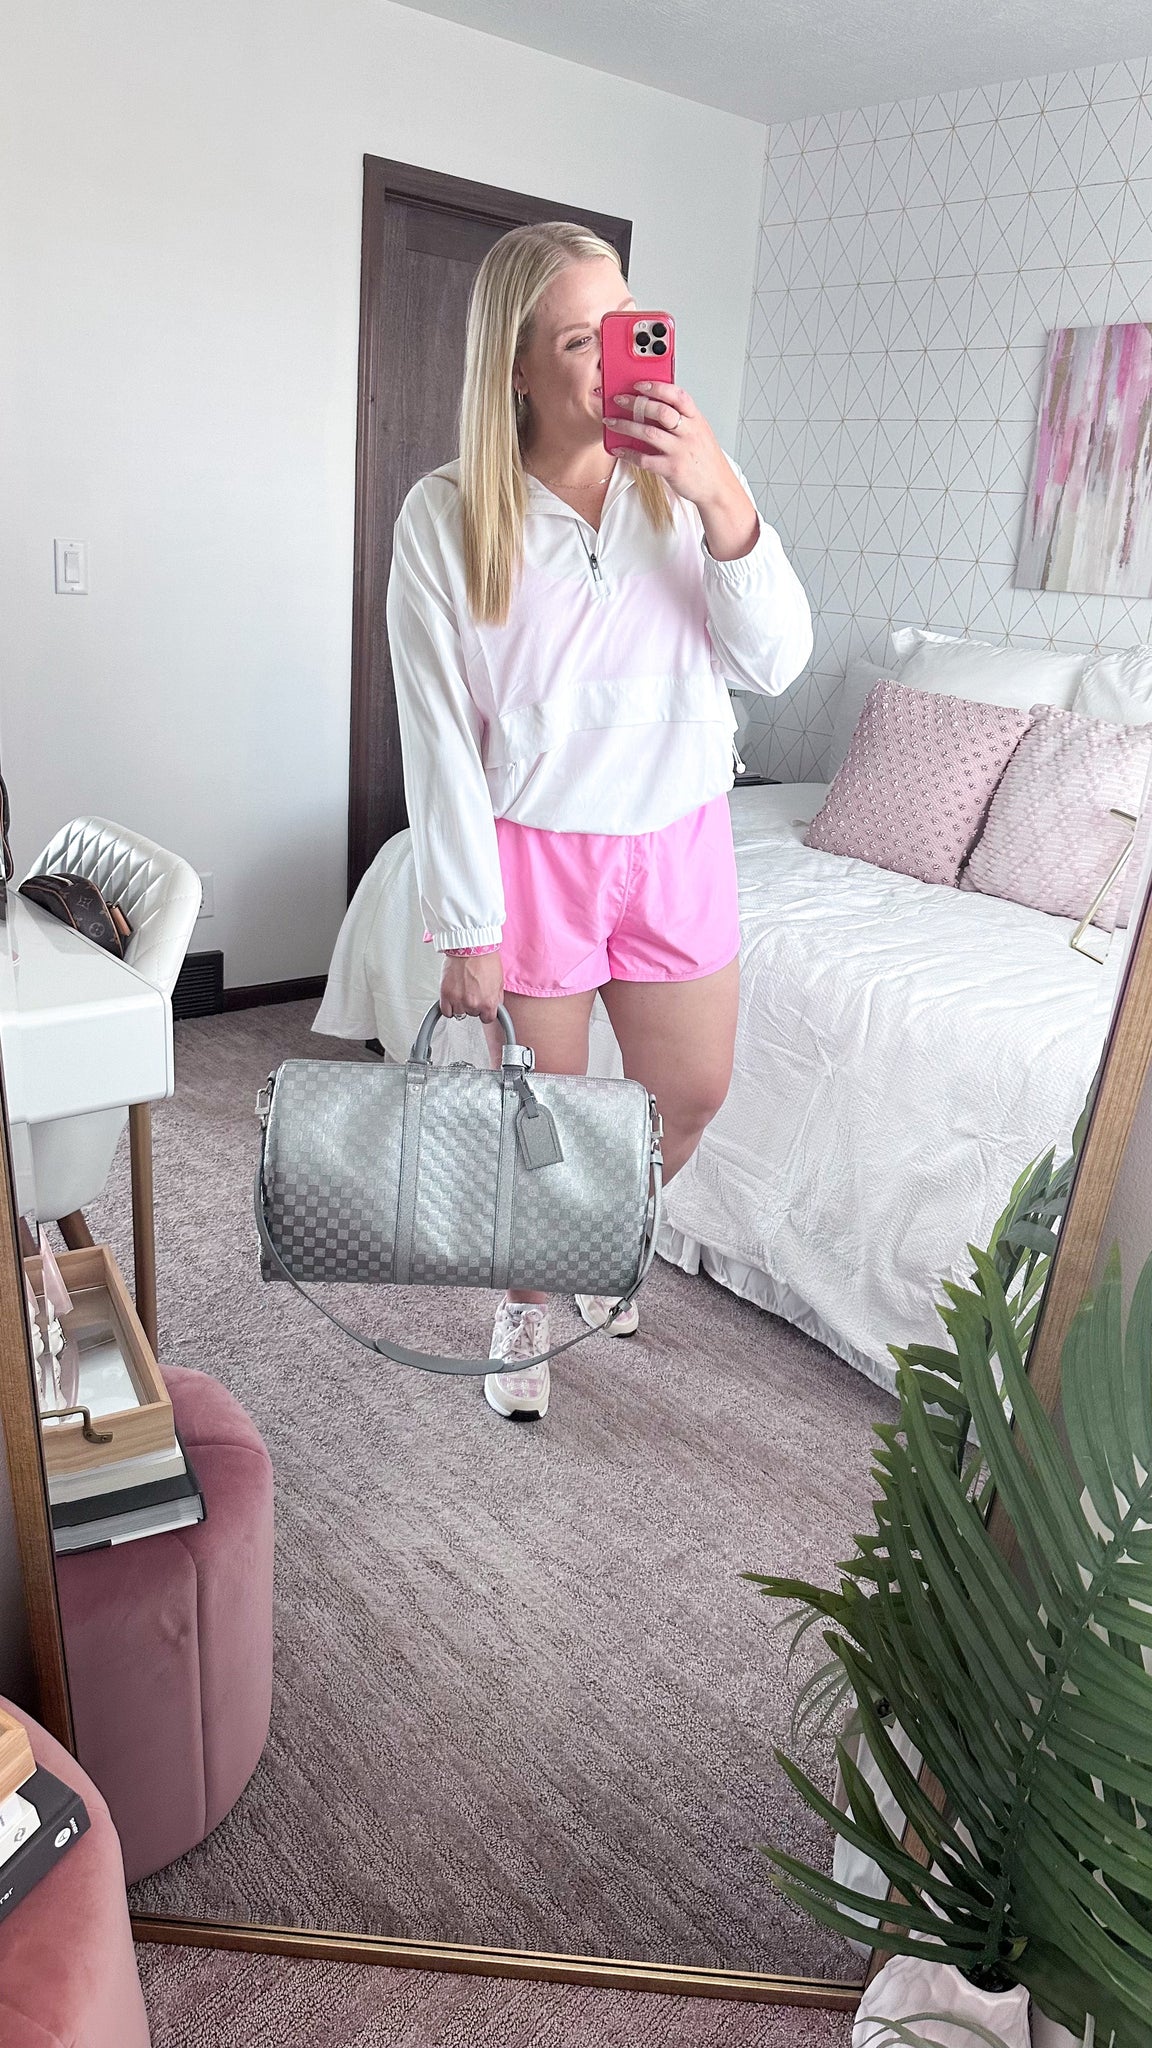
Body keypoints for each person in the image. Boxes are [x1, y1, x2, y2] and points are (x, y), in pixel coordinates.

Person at [387, 221, 811, 1421]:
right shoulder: (446, 514)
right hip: (535, 854)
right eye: (581, 340)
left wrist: (719, 493)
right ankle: (527, 1293)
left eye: (625, 324)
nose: (616, 356)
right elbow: (439, 736)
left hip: (678, 836)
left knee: (693, 1091)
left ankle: (593, 1237)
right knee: (546, 1124)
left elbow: (777, 661)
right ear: (517, 367)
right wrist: (465, 926)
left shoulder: (689, 486)